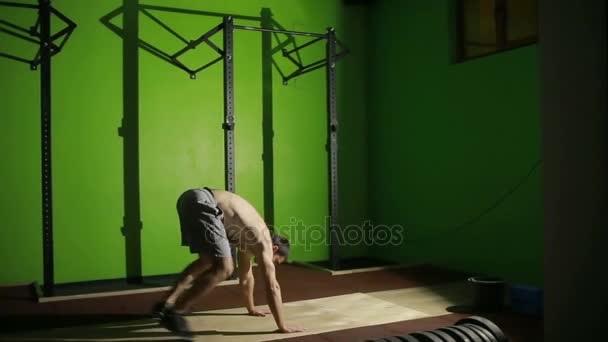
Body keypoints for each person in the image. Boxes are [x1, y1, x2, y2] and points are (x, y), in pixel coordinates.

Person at [153, 187, 304, 338]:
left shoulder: (248, 242)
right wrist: (282, 325)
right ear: (274, 248)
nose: (273, 265)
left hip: (189, 199)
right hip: (205, 202)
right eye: (276, 261)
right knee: (225, 268)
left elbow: (246, 278)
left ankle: (165, 304)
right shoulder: (263, 242)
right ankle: (176, 312)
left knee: (206, 261)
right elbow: (272, 286)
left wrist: (251, 308)